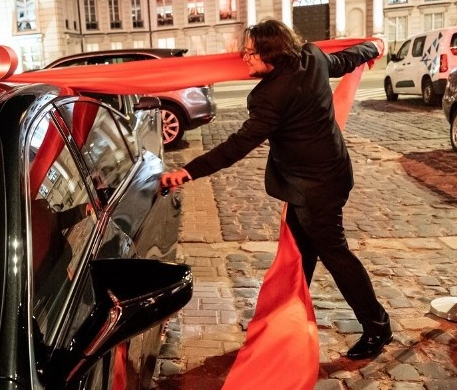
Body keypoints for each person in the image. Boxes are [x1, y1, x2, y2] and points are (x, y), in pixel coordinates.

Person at [161, 19, 391, 360]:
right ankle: (286, 323)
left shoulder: (271, 96)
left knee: (335, 254)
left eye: (252, 52)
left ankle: (377, 327)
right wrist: (375, 46)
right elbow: (346, 59)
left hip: (314, 188)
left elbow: (238, 145)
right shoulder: (312, 57)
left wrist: (188, 171)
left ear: (272, 52)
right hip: (332, 174)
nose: (245, 58)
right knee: (300, 255)